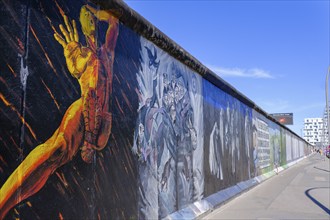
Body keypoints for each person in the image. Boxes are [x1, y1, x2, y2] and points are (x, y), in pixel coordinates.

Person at [0, 4, 118, 219]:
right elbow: (88, 86)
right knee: (56, 149)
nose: (89, 20)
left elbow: (114, 23)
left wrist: (95, 11)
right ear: (81, 26)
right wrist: (88, 137)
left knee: (54, 161)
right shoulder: (82, 55)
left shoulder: (106, 53)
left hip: (102, 121)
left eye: (91, 17)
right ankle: (2, 203)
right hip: (84, 111)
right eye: (85, 18)